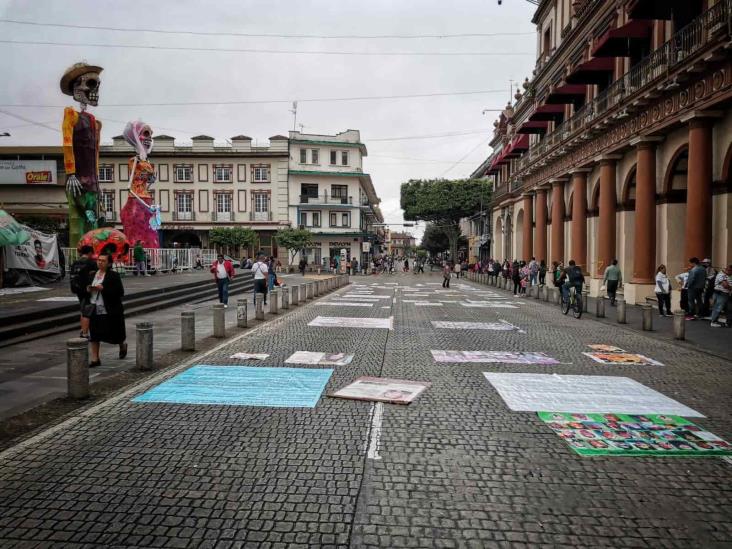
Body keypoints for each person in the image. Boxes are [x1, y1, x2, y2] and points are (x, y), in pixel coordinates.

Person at [87, 252, 127, 368]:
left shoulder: (113, 276)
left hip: (110, 309)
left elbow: (120, 292)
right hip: (94, 307)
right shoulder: (92, 274)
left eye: (103, 261)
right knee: (94, 334)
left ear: (109, 263)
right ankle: (95, 358)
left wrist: (103, 289)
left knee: (115, 332)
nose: (100, 262)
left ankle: (122, 344)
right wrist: (88, 289)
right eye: (99, 260)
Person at [69, 244, 98, 338]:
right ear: (89, 252)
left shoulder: (75, 262)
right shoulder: (91, 263)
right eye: (92, 253)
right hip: (88, 289)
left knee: (83, 309)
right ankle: (85, 333)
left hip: (77, 288)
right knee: (87, 310)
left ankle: (83, 329)